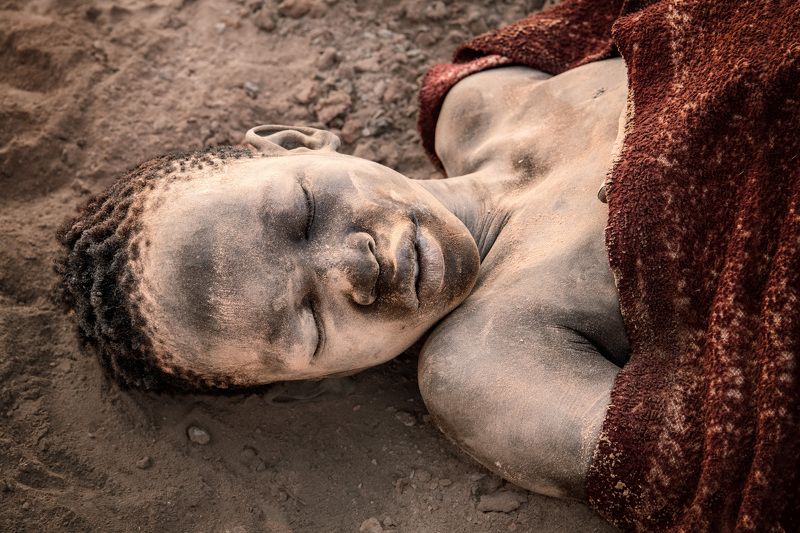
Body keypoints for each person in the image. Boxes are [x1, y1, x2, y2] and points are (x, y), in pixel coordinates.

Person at [58, 49, 630, 502]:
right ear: (328, 377)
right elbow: (705, 472)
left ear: (296, 142)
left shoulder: (476, 97)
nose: (354, 268)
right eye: (311, 322)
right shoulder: (491, 368)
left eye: (304, 215)